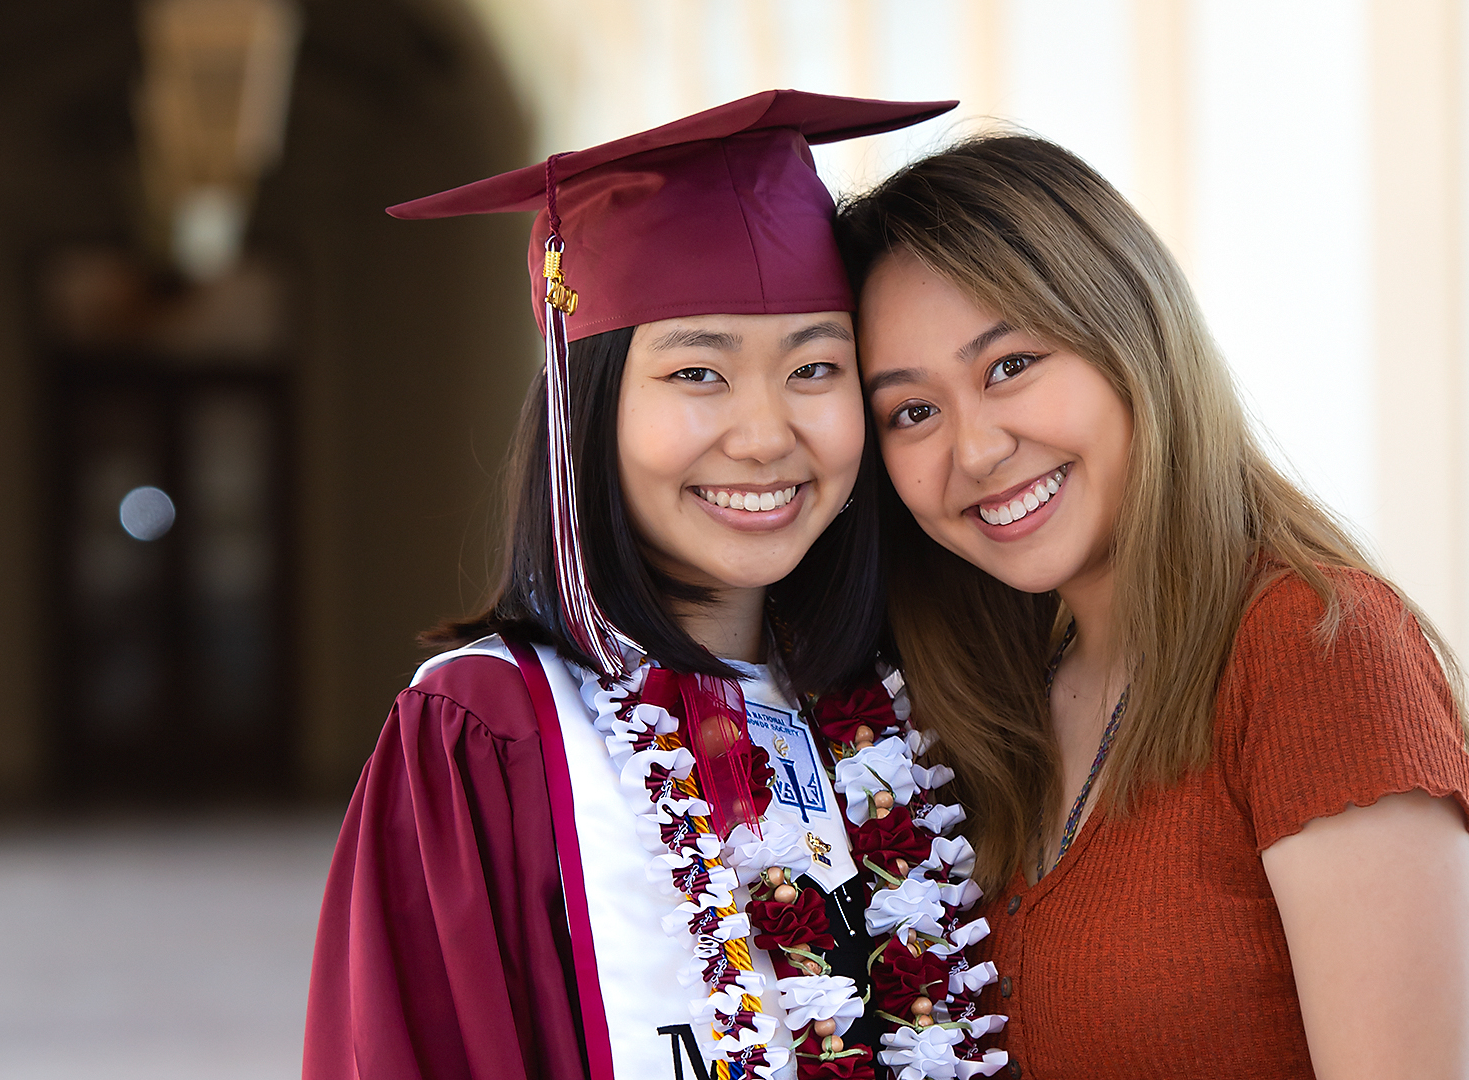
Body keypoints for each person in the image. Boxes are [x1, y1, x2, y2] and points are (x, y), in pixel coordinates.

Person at [302, 93, 1011, 1080]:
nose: (765, 436)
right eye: (697, 374)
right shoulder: (486, 734)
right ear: (587, 408)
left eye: (815, 367)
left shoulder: (902, 708)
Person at [836, 135, 1469, 1080]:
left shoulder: (1320, 648)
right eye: (913, 412)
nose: (974, 450)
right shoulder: (993, 704)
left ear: (1130, 333)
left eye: (1010, 365)